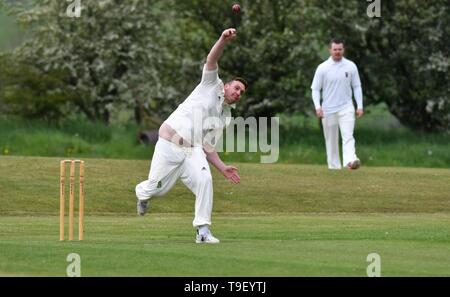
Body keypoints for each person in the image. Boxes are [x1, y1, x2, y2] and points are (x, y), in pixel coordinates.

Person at [135, 28, 247, 244]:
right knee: (157, 188)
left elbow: (207, 145)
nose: (238, 93)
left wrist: (223, 167)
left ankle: (203, 232)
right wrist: (223, 40)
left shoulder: (225, 117)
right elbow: (211, 58)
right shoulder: (211, 84)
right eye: (236, 88)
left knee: (205, 180)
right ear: (227, 85)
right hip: (170, 141)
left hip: (193, 149)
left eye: (241, 93)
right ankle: (142, 194)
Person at [311, 38, 364, 170]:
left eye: (340, 49)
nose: (337, 52)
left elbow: (357, 87)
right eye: (335, 49)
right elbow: (315, 89)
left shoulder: (351, 66)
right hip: (328, 109)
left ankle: (351, 161)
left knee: (348, 135)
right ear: (330, 50)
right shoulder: (322, 68)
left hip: (346, 107)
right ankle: (334, 167)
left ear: (343, 50)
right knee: (331, 140)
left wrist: (360, 106)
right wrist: (318, 107)